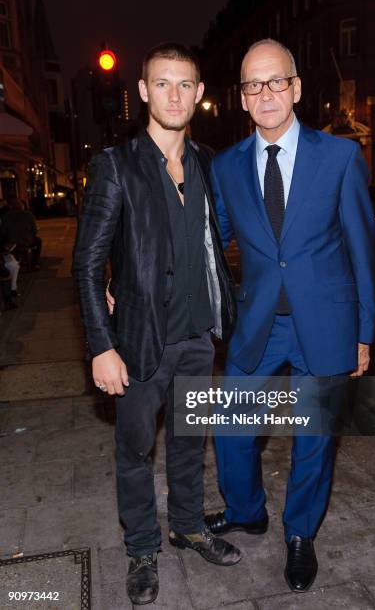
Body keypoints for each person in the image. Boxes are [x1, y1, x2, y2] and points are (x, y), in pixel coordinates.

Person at [205, 39, 375, 593]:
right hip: (260, 325)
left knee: (314, 440)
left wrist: (365, 331)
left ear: (296, 88)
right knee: (230, 429)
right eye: (254, 85)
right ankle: (248, 510)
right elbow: (212, 241)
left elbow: (360, 247)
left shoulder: (340, 157)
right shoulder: (227, 166)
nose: (266, 93)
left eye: (276, 81)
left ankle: (300, 533)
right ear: (243, 98)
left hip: (325, 325)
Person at [72, 43, 240, 607]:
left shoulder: (209, 163)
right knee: (135, 450)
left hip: (198, 337)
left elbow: (219, 241)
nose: (175, 94)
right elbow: (88, 261)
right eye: (162, 83)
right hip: (140, 343)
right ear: (143, 91)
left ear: (199, 93)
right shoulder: (116, 166)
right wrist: (100, 345)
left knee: (191, 442)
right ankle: (142, 546)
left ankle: (188, 526)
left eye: (185, 84)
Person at [0, 200, 42, 269]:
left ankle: (18, 261)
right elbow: (34, 230)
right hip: (27, 241)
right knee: (38, 241)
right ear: (22, 207)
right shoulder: (29, 215)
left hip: (11, 242)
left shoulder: (6, 216)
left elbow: (3, 231)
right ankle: (34, 263)